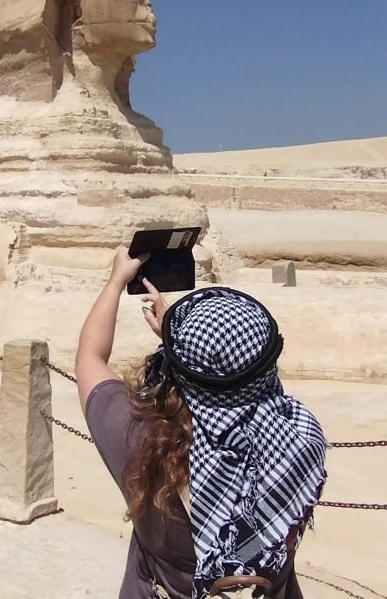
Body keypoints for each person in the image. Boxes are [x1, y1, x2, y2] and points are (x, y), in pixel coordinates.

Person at [75, 249, 328, 599]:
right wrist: (184, 351)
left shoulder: (142, 442)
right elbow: (235, 396)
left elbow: (90, 357)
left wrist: (117, 281)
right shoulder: (301, 440)